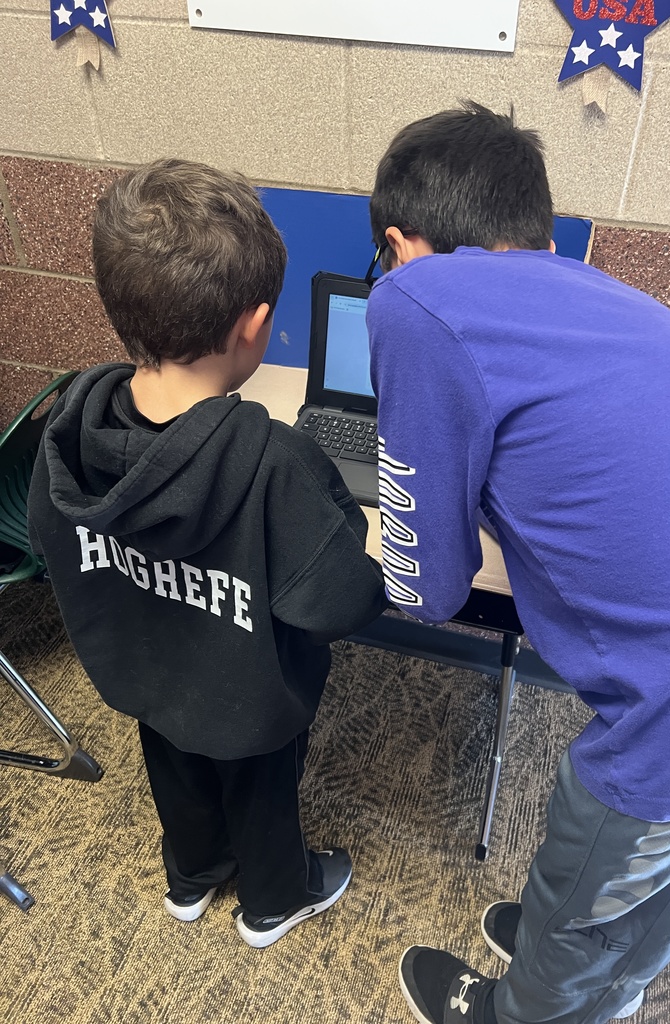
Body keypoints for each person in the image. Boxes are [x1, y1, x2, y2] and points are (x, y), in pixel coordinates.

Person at [365, 101, 670, 1024]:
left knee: (601, 859)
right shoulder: (595, 294)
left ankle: (537, 1000)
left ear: (398, 244)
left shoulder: (415, 297)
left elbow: (425, 590)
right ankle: (601, 981)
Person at [27, 158, 386, 948]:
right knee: (262, 792)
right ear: (254, 327)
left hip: (145, 677)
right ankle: (272, 903)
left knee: (178, 774)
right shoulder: (274, 463)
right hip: (251, 697)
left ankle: (190, 880)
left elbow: (57, 546)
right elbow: (337, 600)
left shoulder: (69, 433)